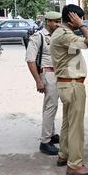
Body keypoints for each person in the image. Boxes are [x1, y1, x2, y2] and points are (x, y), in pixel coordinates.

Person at [50, 4, 88, 175]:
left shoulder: (60, 33)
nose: (82, 21)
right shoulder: (65, 35)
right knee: (76, 126)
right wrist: (82, 26)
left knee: (68, 123)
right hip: (72, 85)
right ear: (72, 18)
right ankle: (74, 165)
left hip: (67, 84)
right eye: (79, 18)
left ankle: (63, 155)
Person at [25, 11, 61, 156]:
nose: (58, 24)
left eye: (59, 21)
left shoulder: (56, 36)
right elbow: (30, 59)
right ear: (48, 22)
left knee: (50, 105)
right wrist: (38, 80)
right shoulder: (38, 36)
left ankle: (51, 134)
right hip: (47, 73)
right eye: (55, 21)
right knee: (51, 106)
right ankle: (45, 141)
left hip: (57, 74)